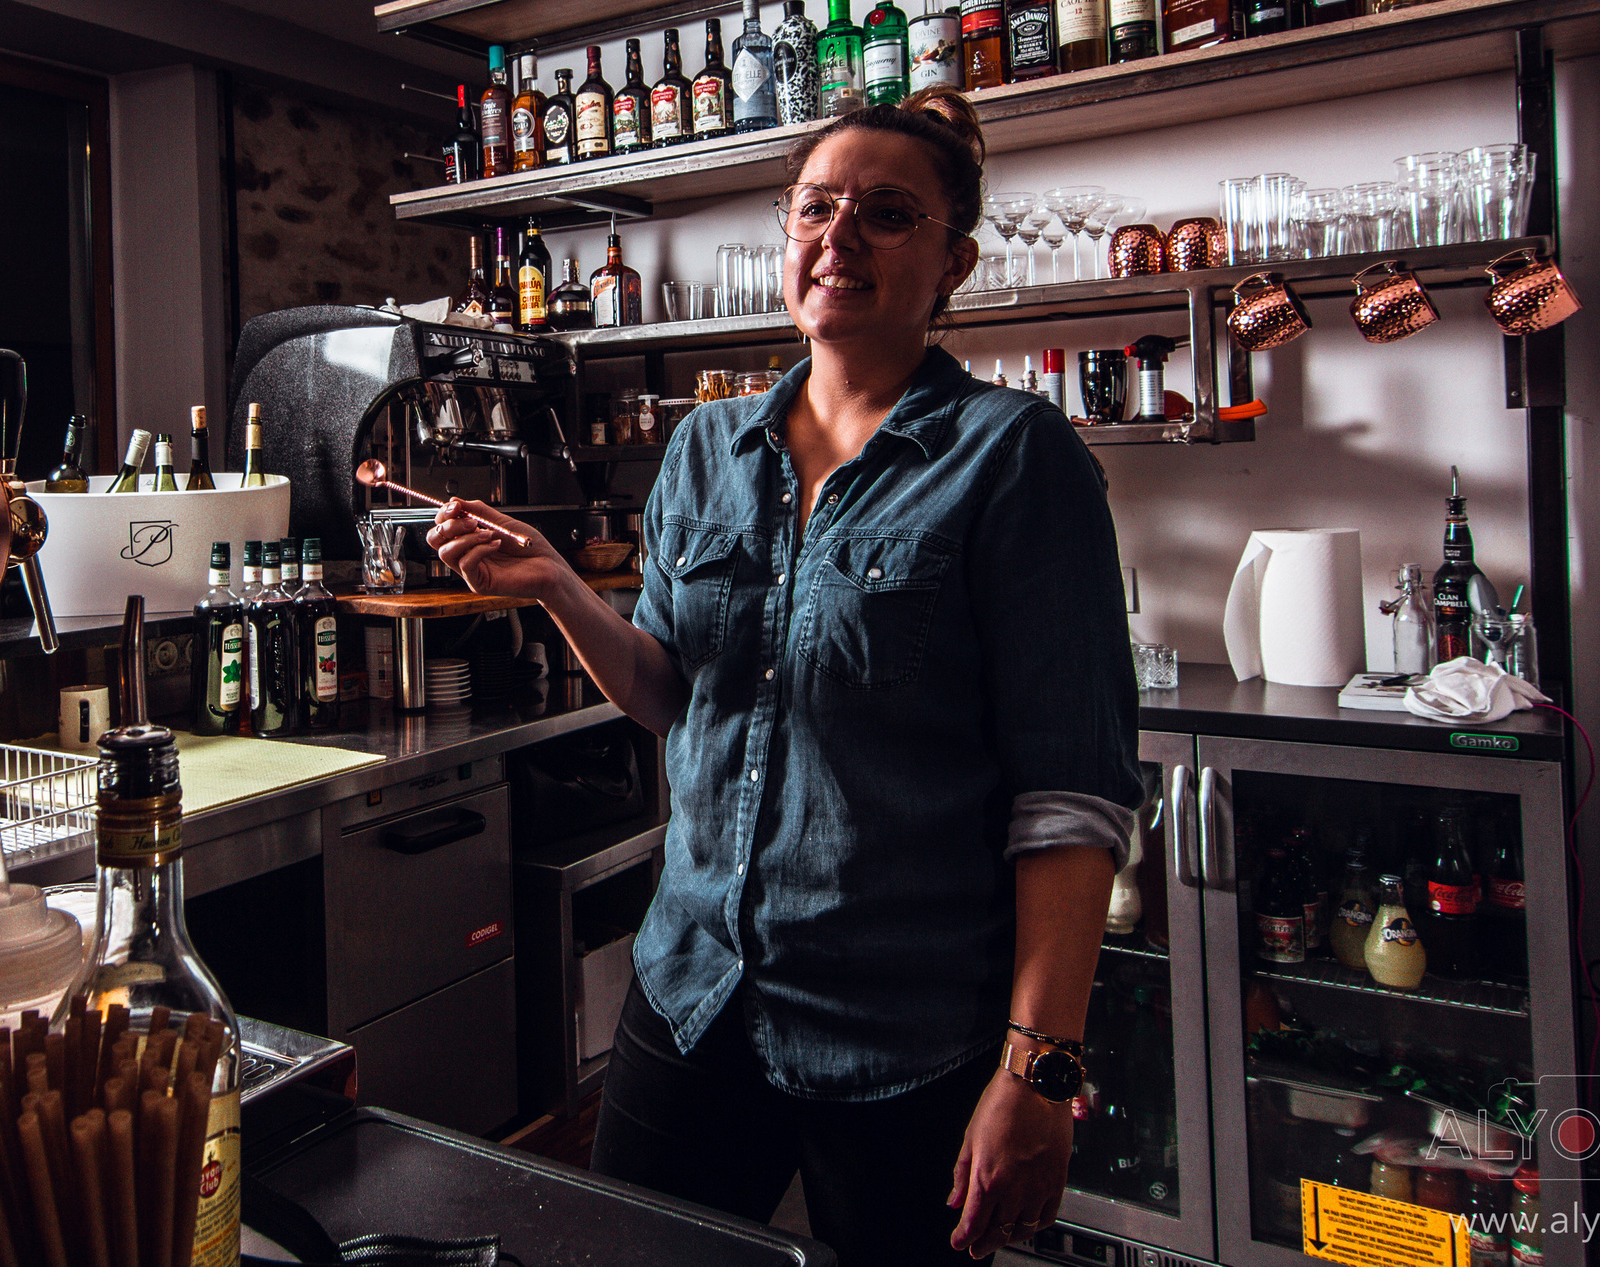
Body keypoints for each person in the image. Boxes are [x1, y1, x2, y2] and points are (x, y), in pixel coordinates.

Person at [427, 100, 1139, 1264]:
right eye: (816, 206)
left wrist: (1038, 1069)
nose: (839, 236)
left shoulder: (1015, 456)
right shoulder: (706, 449)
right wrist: (558, 587)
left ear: (951, 259)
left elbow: (1070, 799)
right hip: (692, 990)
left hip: (902, 1029)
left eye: (888, 213)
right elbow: (674, 697)